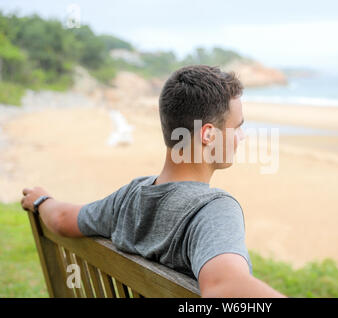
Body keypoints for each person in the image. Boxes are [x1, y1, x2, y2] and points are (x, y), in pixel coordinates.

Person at [21, 65, 286, 298]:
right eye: (237, 126)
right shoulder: (213, 211)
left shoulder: (128, 198)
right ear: (208, 135)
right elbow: (223, 288)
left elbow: (62, 219)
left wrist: (42, 200)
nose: (243, 137)